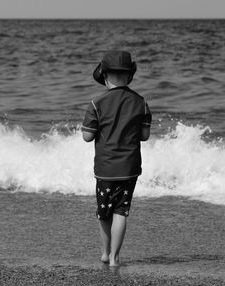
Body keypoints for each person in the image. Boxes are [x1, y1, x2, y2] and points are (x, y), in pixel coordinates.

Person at [81, 51, 151, 267]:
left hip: (106, 168)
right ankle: (115, 258)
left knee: (104, 213)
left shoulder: (96, 103)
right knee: (122, 211)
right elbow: (145, 136)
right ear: (129, 76)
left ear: (104, 75)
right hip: (130, 167)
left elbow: (87, 136)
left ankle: (104, 252)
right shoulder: (141, 102)